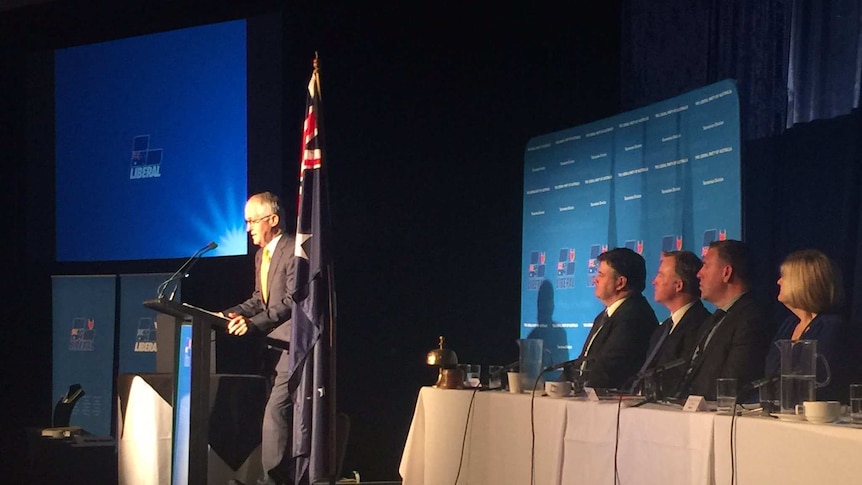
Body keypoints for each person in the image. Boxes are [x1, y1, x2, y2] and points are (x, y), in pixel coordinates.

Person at [224, 192, 297, 485]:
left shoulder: (295, 249)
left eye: (253, 221)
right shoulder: (261, 255)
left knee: (276, 412)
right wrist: (227, 314)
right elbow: (260, 299)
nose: (248, 228)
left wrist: (252, 324)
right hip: (272, 349)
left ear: (273, 220)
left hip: (293, 346)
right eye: (246, 222)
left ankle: (272, 480)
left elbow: (293, 301)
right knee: (272, 413)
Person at [674, 240, 770, 401]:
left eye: (706, 265)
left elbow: (734, 380)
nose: (699, 274)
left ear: (726, 273)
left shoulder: (751, 319)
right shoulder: (713, 320)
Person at [563, 247, 658, 389]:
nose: (595, 279)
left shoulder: (634, 317)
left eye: (601, 275)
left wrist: (577, 388)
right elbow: (584, 361)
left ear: (620, 283)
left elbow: (610, 369)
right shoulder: (605, 315)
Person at [764, 249, 848, 401]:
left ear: (804, 282)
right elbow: (771, 377)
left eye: (784, 276)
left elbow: (820, 381)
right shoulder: (789, 325)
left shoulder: (831, 327)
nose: (778, 281)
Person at [633, 250, 711, 394]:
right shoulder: (662, 330)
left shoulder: (701, 326)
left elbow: (679, 378)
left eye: (661, 275)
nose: (654, 281)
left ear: (678, 285)